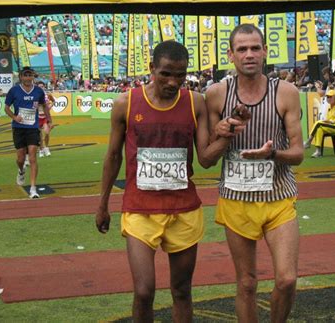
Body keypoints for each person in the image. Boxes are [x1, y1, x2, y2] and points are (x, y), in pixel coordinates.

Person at [95, 40, 247, 322]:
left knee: (181, 290)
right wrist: (102, 204)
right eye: (165, 73)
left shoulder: (194, 102)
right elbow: (113, 156)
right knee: (143, 291)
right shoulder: (125, 104)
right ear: (152, 68)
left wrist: (226, 135)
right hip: (140, 209)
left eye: (180, 74)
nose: (173, 81)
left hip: (184, 211)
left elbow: (205, 158)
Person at [205, 23, 304, 322]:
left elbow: (298, 153)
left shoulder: (285, 92)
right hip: (236, 199)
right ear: (230, 55)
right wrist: (223, 134)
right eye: (242, 49)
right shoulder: (216, 95)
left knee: (286, 280)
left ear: (264, 52)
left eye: (255, 48)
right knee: (246, 283)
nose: (249, 54)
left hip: (278, 198)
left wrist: (272, 154)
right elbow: (206, 159)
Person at [4, 66, 51, 199]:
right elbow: (6, 107)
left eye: (30, 75)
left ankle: (33, 189)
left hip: (33, 128)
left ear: (33, 77)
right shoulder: (14, 91)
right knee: (20, 159)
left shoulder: (38, 91)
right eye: (26, 75)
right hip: (18, 128)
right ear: (21, 77)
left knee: (32, 157)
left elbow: (44, 106)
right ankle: (21, 170)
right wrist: (14, 117)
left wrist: (49, 121)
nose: (28, 78)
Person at [304, 88, 335, 157]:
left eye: (330, 97)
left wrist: (332, 122)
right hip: (330, 126)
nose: (328, 98)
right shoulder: (329, 107)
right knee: (319, 129)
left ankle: (309, 141)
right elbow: (328, 119)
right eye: (327, 97)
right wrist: (327, 121)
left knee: (318, 123)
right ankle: (318, 151)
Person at [37, 81, 55, 157]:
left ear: (44, 87)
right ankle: (41, 150)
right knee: (39, 135)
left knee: (47, 132)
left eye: (42, 86)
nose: (41, 87)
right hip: (37, 117)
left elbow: (53, 101)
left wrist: (49, 107)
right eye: (39, 86)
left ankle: (46, 148)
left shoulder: (47, 95)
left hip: (45, 117)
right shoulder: (35, 96)